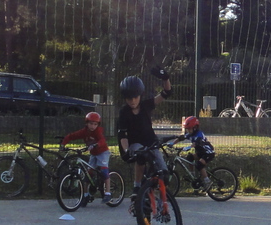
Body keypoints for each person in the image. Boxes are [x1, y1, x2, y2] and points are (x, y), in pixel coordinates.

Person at [116, 67, 173, 201]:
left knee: (164, 173)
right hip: (134, 144)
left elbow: (166, 93)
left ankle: (157, 197)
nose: (132, 101)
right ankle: (137, 187)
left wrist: (166, 78)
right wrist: (127, 150)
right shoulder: (124, 112)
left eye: (135, 97)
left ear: (140, 95)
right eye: (129, 98)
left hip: (150, 142)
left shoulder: (146, 105)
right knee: (141, 156)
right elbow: (123, 135)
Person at [61, 111, 113, 202]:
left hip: (102, 152)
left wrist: (96, 144)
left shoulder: (98, 131)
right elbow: (71, 136)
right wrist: (63, 144)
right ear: (86, 123)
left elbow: (102, 140)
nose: (93, 126)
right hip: (93, 153)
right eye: (91, 124)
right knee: (88, 174)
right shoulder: (84, 132)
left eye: (95, 124)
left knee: (104, 171)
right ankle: (85, 195)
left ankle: (108, 193)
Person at [177, 115, 215, 190]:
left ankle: (207, 181)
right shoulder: (191, 134)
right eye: (187, 129)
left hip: (208, 152)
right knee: (190, 157)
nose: (188, 131)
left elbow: (195, 144)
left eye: (189, 129)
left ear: (195, 128)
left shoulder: (199, 134)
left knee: (199, 165)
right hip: (201, 152)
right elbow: (181, 138)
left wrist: (188, 147)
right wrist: (172, 143)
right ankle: (192, 175)